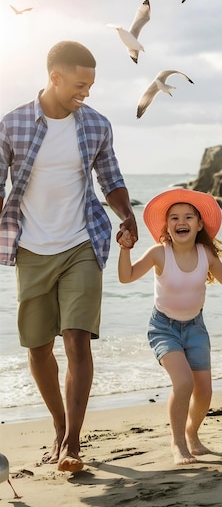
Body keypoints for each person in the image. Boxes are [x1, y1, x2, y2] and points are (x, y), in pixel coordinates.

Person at [0, 40, 138, 473]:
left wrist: (127, 214)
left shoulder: (96, 125)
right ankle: (59, 426)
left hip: (82, 241)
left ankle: (73, 443)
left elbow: (110, 177)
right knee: (39, 347)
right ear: (54, 77)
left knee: (76, 339)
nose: (87, 93)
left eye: (91, 85)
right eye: (80, 84)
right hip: (31, 247)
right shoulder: (13, 124)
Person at [118, 188, 222, 465]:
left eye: (189, 217)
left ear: (200, 224)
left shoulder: (205, 254)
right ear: (166, 226)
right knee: (183, 382)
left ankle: (192, 433)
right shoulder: (159, 253)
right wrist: (124, 249)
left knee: (204, 392)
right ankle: (178, 443)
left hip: (195, 328)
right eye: (174, 218)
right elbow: (126, 277)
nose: (182, 222)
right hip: (163, 328)